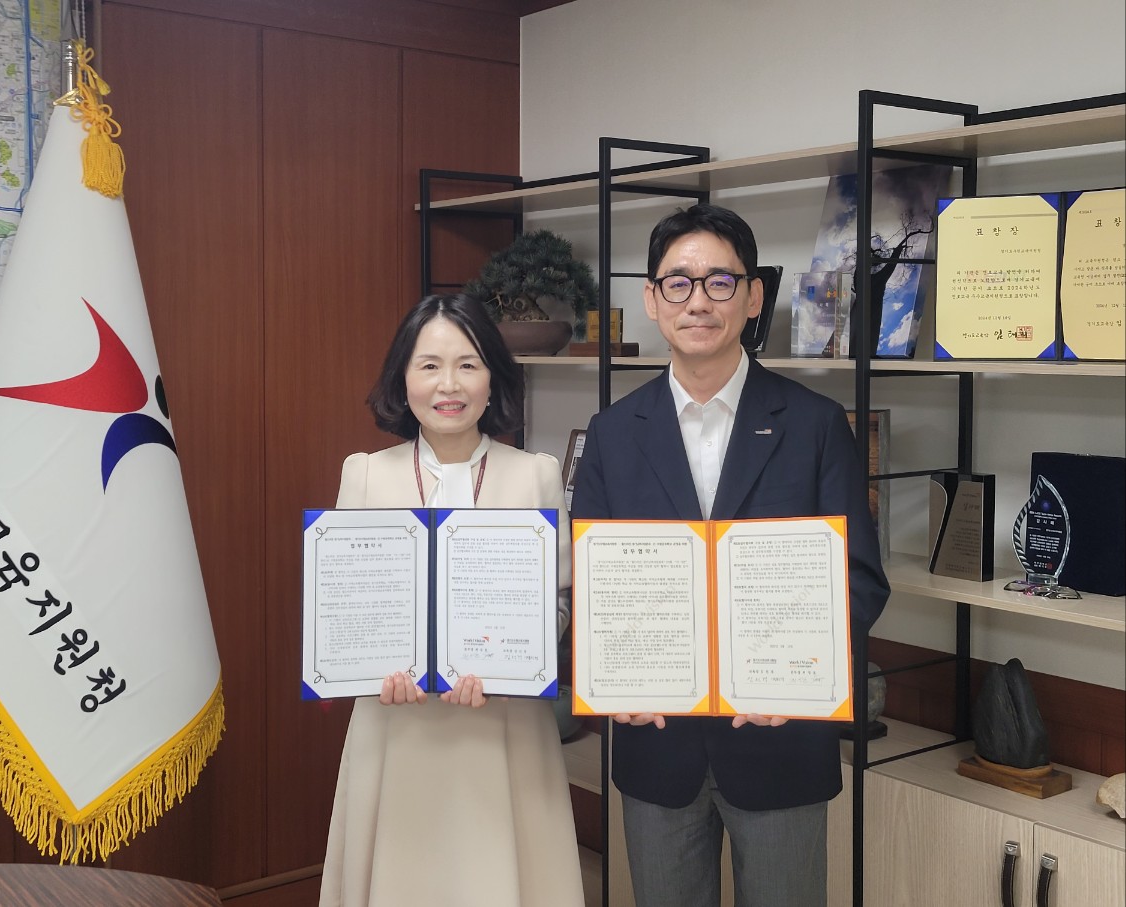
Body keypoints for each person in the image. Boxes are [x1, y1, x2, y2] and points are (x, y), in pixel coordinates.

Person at [571, 204, 890, 907]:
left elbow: (860, 579)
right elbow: (596, 589)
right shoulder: (614, 433)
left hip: (783, 746)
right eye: (678, 283)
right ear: (652, 300)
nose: (699, 301)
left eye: (720, 282)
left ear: (752, 297)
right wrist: (612, 676)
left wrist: (804, 674)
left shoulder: (814, 425)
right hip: (658, 749)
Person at [318, 294, 584, 907]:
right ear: (402, 377)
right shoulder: (364, 473)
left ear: (493, 376)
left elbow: (562, 599)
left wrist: (515, 660)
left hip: (506, 725)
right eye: (428, 364)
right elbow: (347, 607)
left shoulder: (536, 474)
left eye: (468, 365)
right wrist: (367, 664)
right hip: (397, 723)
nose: (449, 385)